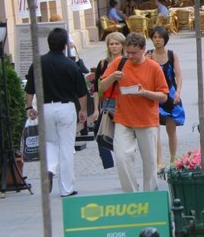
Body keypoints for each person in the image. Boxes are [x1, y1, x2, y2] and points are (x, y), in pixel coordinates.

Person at [98, 32, 168, 192]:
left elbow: (163, 96)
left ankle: (149, 195)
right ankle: (132, 194)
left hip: (147, 120)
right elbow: (101, 87)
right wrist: (112, 78)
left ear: (143, 49)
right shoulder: (119, 62)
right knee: (122, 158)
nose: (130, 56)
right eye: (127, 52)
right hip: (123, 119)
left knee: (149, 162)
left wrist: (144, 93)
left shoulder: (153, 67)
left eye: (134, 53)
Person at [24, 28, 89, 197]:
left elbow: (30, 88)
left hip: (44, 108)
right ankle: (66, 188)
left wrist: (29, 107)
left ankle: (49, 169)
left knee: (50, 142)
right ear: (65, 44)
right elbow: (82, 92)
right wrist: (83, 110)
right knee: (66, 147)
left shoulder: (37, 63)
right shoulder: (71, 65)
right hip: (66, 108)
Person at [146, 26, 185, 169]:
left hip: (170, 94)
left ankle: (173, 160)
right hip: (154, 94)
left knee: (171, 127)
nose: (157, 40)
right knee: (155, 128)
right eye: (155, 37)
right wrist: (146, 62)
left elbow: (179, 75)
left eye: (160, 37)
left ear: (165, 39)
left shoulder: (172, 54)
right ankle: (159, 162)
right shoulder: (148, 55)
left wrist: (178, 92)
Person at [92, 32, 126, 169]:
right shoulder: (103, 64)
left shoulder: (127, 61)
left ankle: (123, 159)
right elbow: (96, 88)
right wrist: (96, 109)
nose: (114, 47)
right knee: (102, 132)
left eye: (117, 44)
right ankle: (109, 163)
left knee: (122, 135)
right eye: (111, 44)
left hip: (123, 102)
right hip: (107, 102)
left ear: (122, 45)